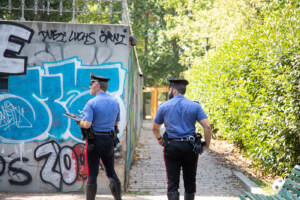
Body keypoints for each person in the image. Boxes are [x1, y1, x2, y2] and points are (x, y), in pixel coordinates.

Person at [152, 78, 211, 200]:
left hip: (171, 147)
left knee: (172, 182)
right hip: (190, 147)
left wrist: (159, 139)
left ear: (173, 90)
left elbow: (155, 127)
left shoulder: (164, 106)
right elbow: (207, 126)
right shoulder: (195, 106)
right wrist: (207, 145)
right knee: (190, 181)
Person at [78, 73, 122, 200]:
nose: (89, 86)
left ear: (97, 86)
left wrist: (79, 121)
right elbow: (116, 123)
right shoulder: (115, 102)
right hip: (109, 141)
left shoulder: (91, 103)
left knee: (92, 174)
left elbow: (86, 124)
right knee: (111, 172)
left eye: (91, 84)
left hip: (94, 141)